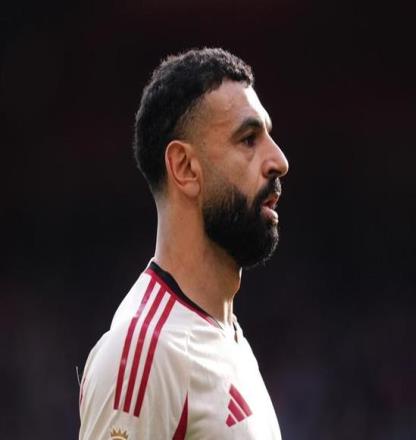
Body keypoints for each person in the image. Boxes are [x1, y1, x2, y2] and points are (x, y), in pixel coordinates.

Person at [79, 48, 289, 440]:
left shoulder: (226, 336)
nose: (279, 160)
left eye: (268, 136)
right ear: (185, 167)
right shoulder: (146, 350)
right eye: (248, 139)